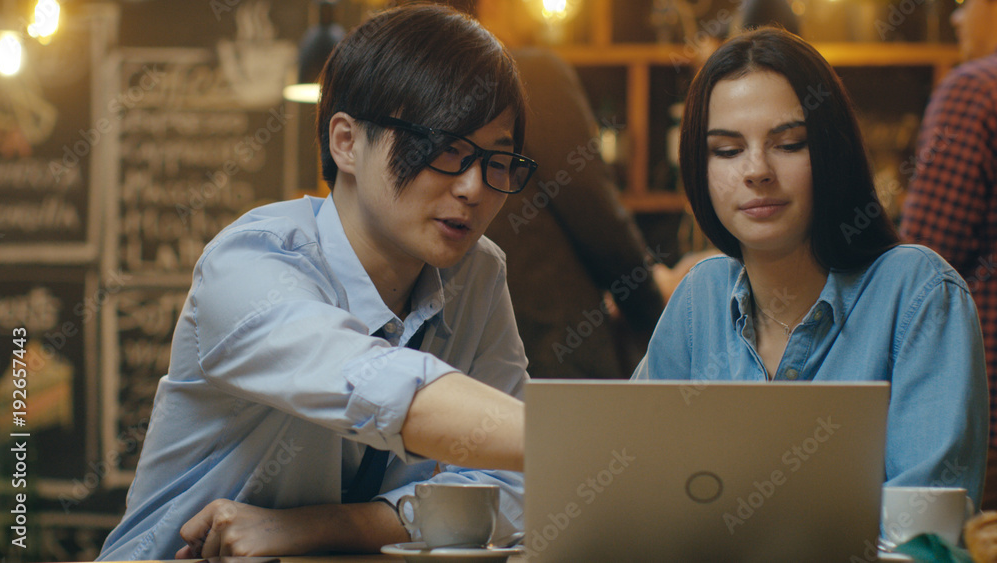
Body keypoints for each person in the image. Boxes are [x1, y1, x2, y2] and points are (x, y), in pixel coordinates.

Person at [97, 5, 535, 559]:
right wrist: (569, 443)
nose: (475, 187)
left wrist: (318, 527)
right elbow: (377, 387)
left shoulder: (477, 273)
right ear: (347, 142)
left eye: (498, 158)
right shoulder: (251, 261)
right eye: (447, 148)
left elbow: (513, 489)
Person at [632, 28, 988, 506]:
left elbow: (920, 532)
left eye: (789, 143)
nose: (756, 170)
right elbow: (632, 482)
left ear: (831, 150)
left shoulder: (917, 292)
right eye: (727, 150)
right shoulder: (701, 296)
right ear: (700, 167)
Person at [484, 47, 671, 381]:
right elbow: (594, 211)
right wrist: (658, 320)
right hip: (553, 350)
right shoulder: (531, 73)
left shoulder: (425, 88)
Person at [898, 0, 997, 509]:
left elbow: (920, 266)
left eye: (966, 3)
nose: (956, 18)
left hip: (983, 399)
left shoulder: (973, 90)